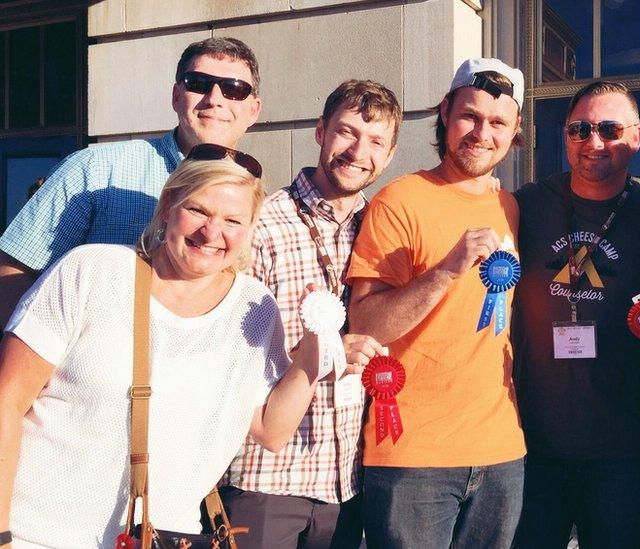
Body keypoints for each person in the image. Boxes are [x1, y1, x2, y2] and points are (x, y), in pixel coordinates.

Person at [0, 147, 326, 548]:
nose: (212, 233)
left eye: (232, 220)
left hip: (164, 538)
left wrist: (315, 345)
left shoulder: (254, 309)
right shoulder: (91, 271)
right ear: (169, 204)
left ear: (249, 228)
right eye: (199, 211)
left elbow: (271, 429)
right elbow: (6, 401)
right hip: (36, 536)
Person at [345, 58, 526, 549]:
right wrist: (447, 269)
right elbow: (365, 323)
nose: (481, 132)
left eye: (497, 123)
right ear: (445, 112)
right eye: (469, 115)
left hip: (502, 452)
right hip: (412, 456)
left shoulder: (509, 207)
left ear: (515, 132)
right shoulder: (398, 201)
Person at [220, 80, 402, 549]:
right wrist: (322, 354)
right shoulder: (262, 222)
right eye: (346, 132)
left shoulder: (382, 229)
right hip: (264, 477)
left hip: (348, 482)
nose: (358, 151)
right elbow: (227, 349)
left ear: (391, 153)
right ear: (320, 132)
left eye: (376, 141)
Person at [0, 37, 263, 329]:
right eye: (198, 82)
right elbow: (14, 273)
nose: (215, 98)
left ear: (254, 110)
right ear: (176, 96)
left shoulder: (252, 197)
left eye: (234, 89)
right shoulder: (95, 169)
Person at [511, 80, 640, 549]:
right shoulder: (528, 205)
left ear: (637, 137)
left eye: (608, 128)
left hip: (621, 451)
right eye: (579, 129)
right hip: (534, 447)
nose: (592, 141)